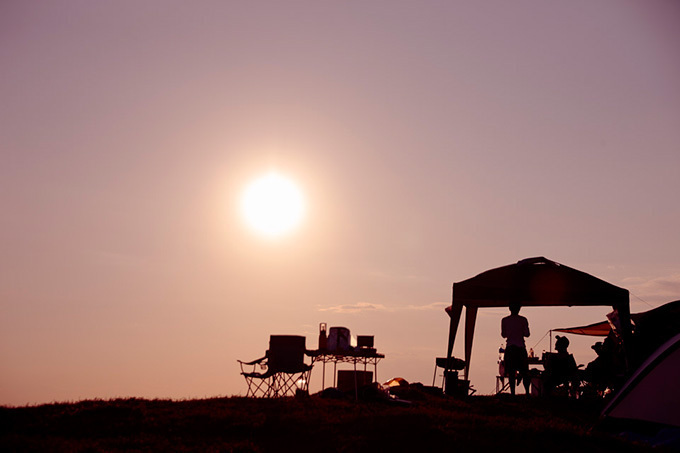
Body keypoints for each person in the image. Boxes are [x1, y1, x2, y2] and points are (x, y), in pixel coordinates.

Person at [501, 302, 531, 395]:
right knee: (525, 371)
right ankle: (526, 392)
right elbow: (527, 334)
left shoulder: (505, 320)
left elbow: (503, 334)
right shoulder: (523, 319)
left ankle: (513, 392)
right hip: (520, 347)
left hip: (510, 347)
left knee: (511, 371)